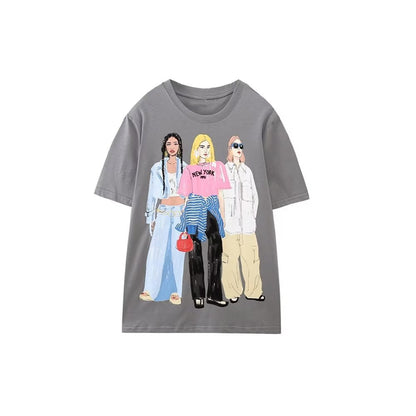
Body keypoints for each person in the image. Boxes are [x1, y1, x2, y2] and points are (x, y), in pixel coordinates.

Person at [175, 134, 231, 308]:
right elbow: (185, 197)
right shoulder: (189, 170)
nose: (205, 150)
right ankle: (198, 295)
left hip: (212, 209)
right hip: (193, 210)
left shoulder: (218, 166)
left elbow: (221, 194)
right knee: (194, 253)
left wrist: (223, 216)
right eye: (202, 146)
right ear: (196, 149)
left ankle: (214, 295)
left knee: (216, 252)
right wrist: (183, 218)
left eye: (208, 147)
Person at [139, 133, 188, 305]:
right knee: (156, 250)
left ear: (179, 146)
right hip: (163, 211)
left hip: (180, 213)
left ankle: (176, 291)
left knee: (178, 252)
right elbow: (151, 196)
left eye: (175, 143)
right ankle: (150, 289)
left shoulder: (186, 168)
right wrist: (150, 217)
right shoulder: (156, 168)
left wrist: (188, 216)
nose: (172, 147)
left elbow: (190, 195)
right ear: (165, 147)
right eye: (169, 144)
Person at [221, 136, 265, 303]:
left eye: (241, 146)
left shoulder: (248, 171)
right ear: (229, 148)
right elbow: (219, 197)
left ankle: (254, 292)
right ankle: (232, 292)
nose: (238, 148)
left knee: (252, 260)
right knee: (230, 261)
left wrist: (251, 218)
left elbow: (255, 197)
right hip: (230, 226)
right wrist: (223, 219)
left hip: (248, 226)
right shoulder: (223, 171)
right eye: (235, 145)